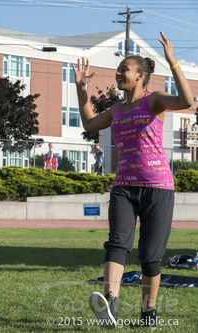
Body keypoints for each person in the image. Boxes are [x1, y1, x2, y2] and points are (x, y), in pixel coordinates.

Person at [73, 31, 193, 328]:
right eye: (118, 69)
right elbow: (89, 122)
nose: (117, 73)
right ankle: (110, 305)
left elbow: (187, 101)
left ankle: (148, 313)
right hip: (124, 187)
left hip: (158, 188)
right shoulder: (117, 109)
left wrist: (173, 63)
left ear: (140, 76)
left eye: (123, 69)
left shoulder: (154, 102)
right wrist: (80, 88)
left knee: (151, 256)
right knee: (117, 243)